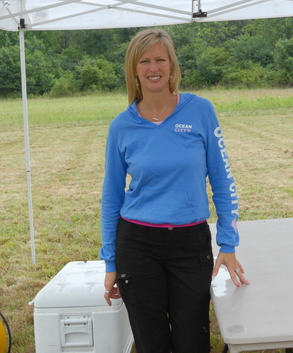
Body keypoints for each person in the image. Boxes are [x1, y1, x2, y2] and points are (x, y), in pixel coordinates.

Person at [99, 28, 249, 353]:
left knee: (192, 341)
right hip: (137, 246)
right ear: (134, 69)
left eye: (160, 60)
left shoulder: (200, 111)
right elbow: (111, 197)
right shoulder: (121, 126)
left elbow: (223, 181)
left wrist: (228, 242)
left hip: (190, 244)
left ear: (172, 66)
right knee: (151, 343)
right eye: (144, 61)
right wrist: (110, 261)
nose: (153, 68)